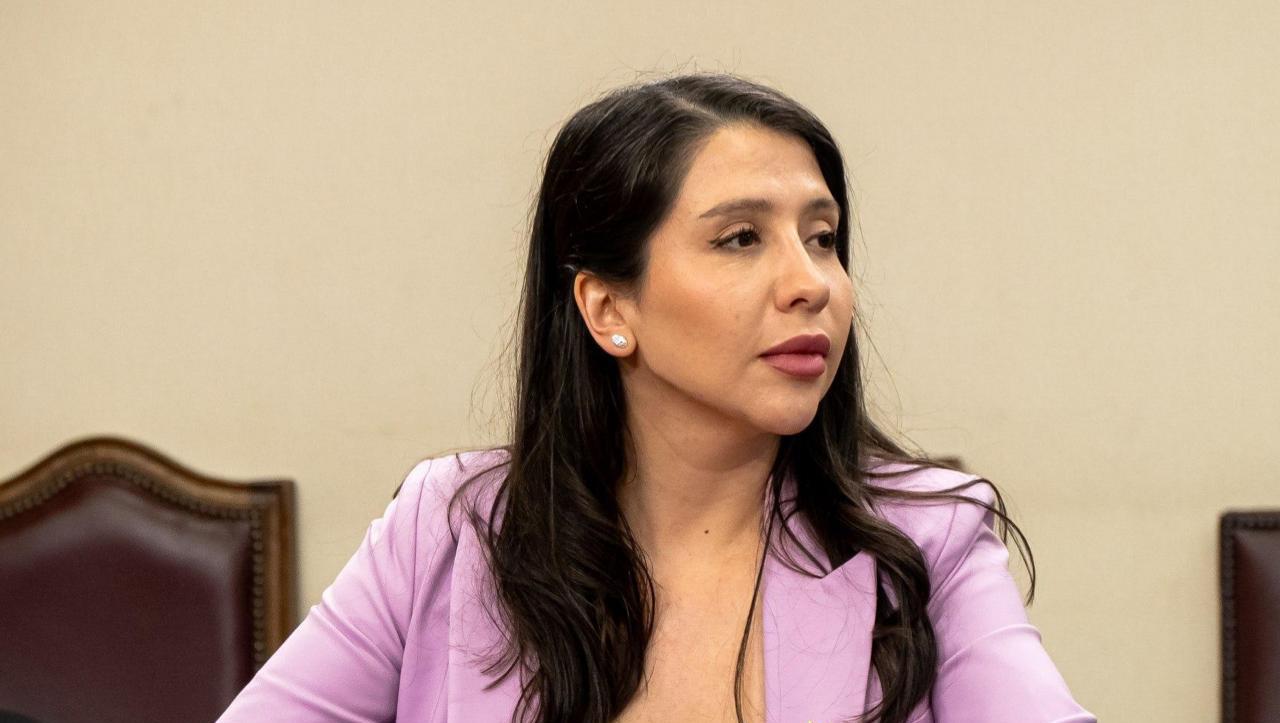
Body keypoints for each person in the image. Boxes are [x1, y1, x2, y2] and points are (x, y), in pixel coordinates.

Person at [217, 72, 1096, 723]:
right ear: (609, 308)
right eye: (741, 238)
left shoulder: (930, 539)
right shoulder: (450, 528)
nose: (811, 284)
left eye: (823, 237)